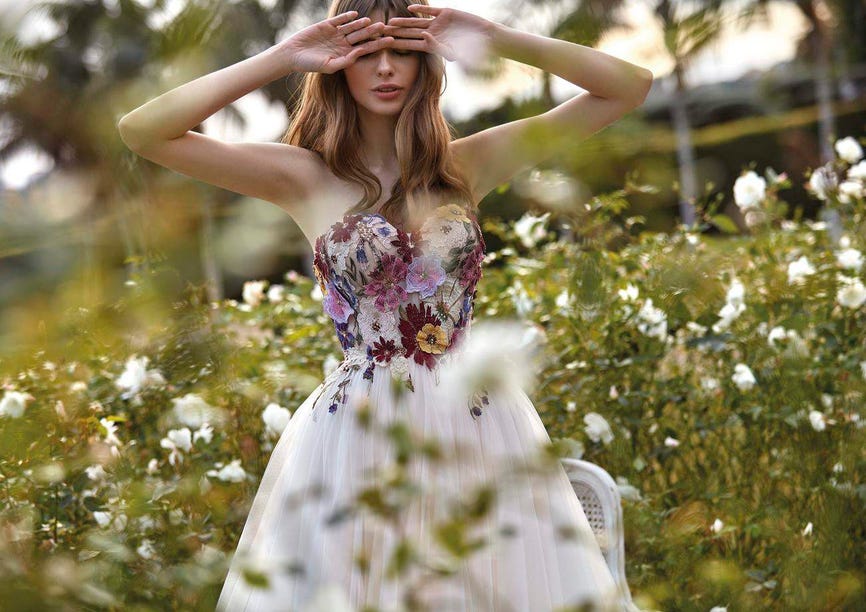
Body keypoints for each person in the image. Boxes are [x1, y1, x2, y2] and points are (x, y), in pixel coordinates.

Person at [118, 1, 651, 610]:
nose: (387, 68)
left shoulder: (465, 168)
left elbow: (627, 88)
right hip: (357, 436)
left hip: (478, 423)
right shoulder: (304, 179)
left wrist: (495, 38)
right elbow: (142, 131)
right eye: (367, 53)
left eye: (403, 51)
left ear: (426, 65)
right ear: (339, 67)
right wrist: (284, 58)